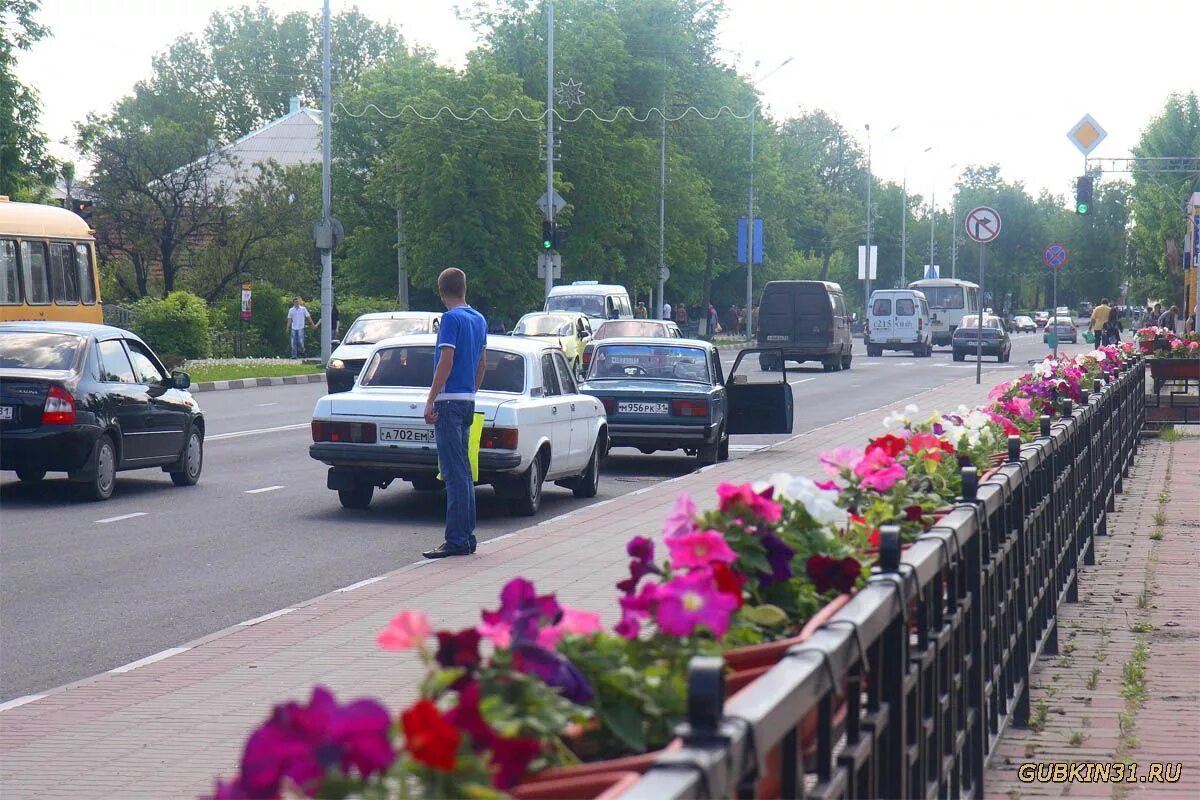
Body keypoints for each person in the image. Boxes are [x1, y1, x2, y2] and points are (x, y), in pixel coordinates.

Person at [422, 268, 488, 559]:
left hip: (448, 402)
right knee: (464, 470)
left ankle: (457, 538)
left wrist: (431, 399)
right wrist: (470, 390)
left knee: (453, 472)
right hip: (467, 400)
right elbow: (482, 363)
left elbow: (445, 361)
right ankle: (467, 535)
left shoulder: (451, 319)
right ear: (464, 288)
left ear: (441, 292)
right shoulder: (478, 318)